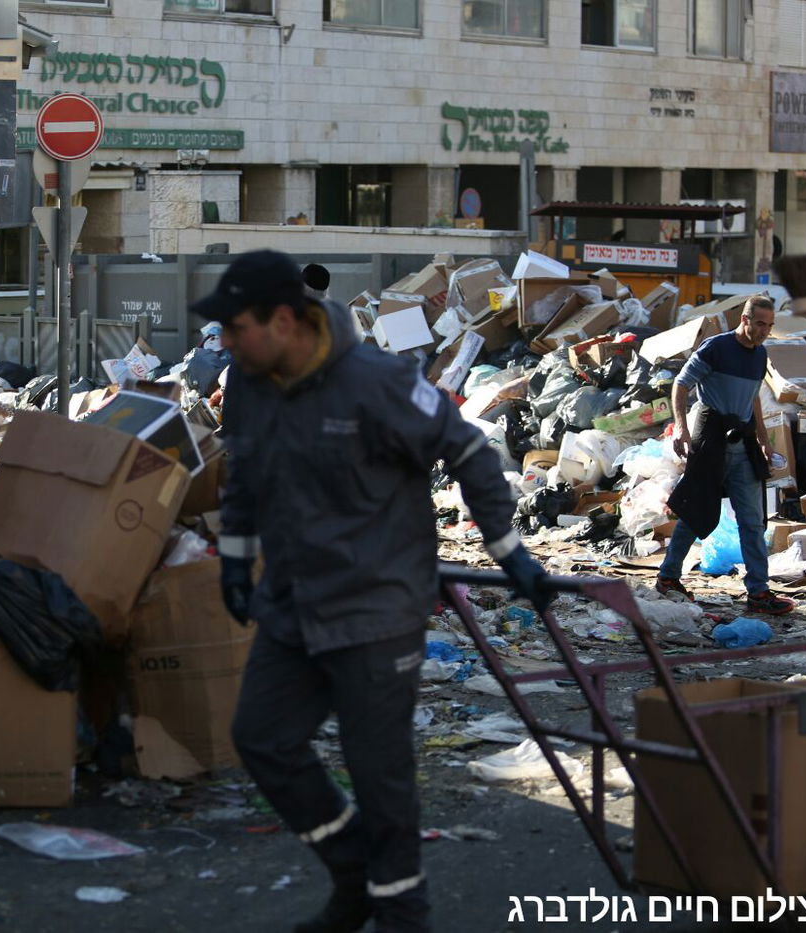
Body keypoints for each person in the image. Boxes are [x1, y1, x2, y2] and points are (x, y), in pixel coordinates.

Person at [195, 250, 550, 933]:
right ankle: (353, 873)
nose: (227, 342)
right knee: (263, 739)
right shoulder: (249, 381)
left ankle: (401, 915)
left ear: (283, 320)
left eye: (237, 327)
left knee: (380, 778)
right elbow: (243, 477)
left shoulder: (376, 380)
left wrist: (510, 551)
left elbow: (469, 451)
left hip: (376, 607)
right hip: (294, 603)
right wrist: (236, 564)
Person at [656, 295, 794, 614]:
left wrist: (763, 440)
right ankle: (668, 577)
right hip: (711, 441)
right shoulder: (716, 348)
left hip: (742, 444)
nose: (764, 331)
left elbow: (754, 398)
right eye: (760, 324)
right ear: (744, 320)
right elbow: (681, 384)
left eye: (769, 326)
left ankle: (759, 592)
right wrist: (681, 429)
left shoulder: (760, 356)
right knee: (696, 512)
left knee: (752, 520)